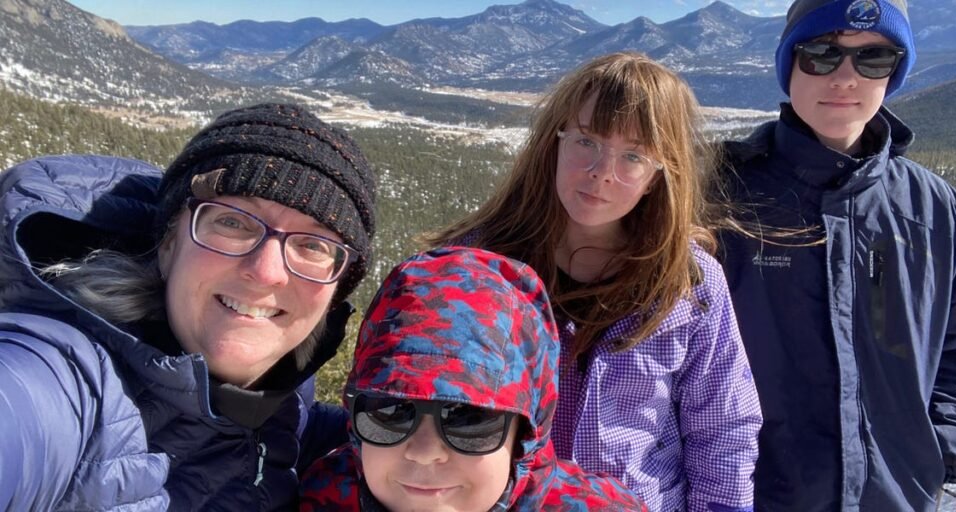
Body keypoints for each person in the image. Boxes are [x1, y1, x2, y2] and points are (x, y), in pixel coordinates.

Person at [426, 52, 762, 512]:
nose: (602, 171)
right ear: (554, 141)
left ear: (658, 175)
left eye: (633, 156)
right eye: (586, 141)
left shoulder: (689, 284)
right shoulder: (476, 266)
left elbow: (723, 428)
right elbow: (422, 403)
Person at [0, 103, 376, 510]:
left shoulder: (281, 411)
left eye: (313, 245)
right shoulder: (60, 381)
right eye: (233, 222)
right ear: (168, 244)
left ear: (334, 291)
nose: (267, 272)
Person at [716, 1, 956, 510]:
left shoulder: (940, 213)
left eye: (874, 58)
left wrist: (943, 451)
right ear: (789, 63)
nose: (845, 77)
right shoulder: (721, 198)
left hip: (897, 496)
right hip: (750, 496)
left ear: (894, 72)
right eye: (821, 54)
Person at [299, 247, 647, 511]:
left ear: (527, 435)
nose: (425, 453)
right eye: (389, 411)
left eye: (468, 418)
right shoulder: (325, 496)